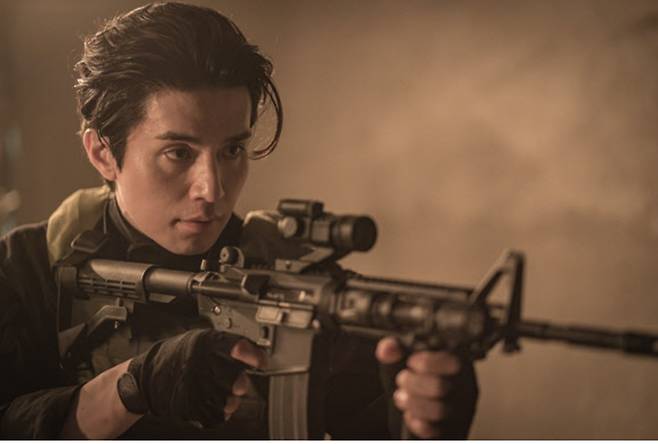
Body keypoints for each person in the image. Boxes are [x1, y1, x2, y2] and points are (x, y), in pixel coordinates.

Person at [0, 2, 478, 439]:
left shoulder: (289, 278)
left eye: (232, 150)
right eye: (178, 152)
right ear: (103, 153)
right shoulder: (26, 269)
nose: (212, 189)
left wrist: (422, 422)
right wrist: (132, 388)